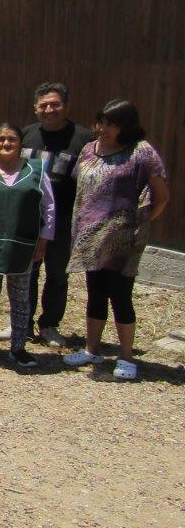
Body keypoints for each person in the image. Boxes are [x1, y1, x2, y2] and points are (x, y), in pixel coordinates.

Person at [63, 100, 170, 381]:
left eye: (111, 123)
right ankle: (92, 349)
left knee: (120, 295)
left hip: (124, 241)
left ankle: (126, 356)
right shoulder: (89, 150)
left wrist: (140, 222)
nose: (103, 128)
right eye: (101, 122)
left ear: (126, 126)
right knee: (95, 292)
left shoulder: (141, 152)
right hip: (90, 237)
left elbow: (162, 196)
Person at [0, 123, 55, 368]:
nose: (6, 144)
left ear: (20, 144)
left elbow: (49, 208)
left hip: (23, 244)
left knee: (20, 298)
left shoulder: (36, 170)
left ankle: (18, 347)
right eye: (1, 139)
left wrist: (44, 242)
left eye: (12, 139)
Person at [20, 82, 94, 347]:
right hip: (28, 219)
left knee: (57, 274)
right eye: (43, 105)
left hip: (64, 220)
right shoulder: (26, 135)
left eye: (55, 104)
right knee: (25, 272)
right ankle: (22, 323)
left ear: (65, 106)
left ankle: (49, 324)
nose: (49, 110)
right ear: (35, 108)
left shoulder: (83, 139)